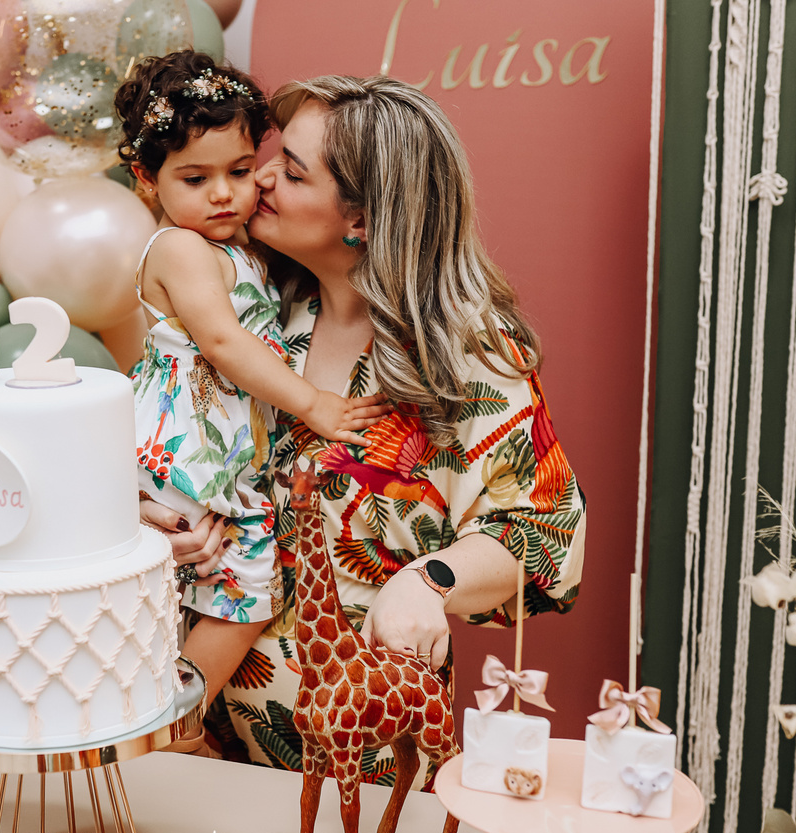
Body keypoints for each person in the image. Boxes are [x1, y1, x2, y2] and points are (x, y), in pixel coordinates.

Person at [142, 75, 587, 775]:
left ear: (366, 218)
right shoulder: (255, 309)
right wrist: (153, 517)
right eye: (273, 158)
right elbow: (166, 425)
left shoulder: (465, 352)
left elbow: (541, 529)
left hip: (366, 756)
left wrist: (429, 579)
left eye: (292, 172)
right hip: (204, 744)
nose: (260, 179)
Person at [114, 53, 388, 731]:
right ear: (146, 178)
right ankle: (169, 724)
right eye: (195, 178)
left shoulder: (240, 246)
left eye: (240, 171)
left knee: (227, 592)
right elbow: (224, 342)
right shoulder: (179, 248)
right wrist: (313, 403)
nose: (224, 194)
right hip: (185, 451)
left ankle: (171, 720)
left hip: (223, 455)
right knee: (237, 589)